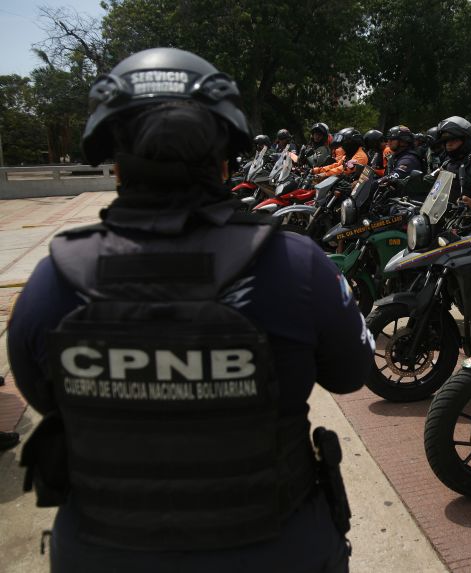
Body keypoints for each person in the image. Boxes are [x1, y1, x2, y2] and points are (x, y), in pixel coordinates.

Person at [7, 47, 373, 572]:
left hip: (104, 549)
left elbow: (41, 393)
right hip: (277, 548)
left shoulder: (55, 279)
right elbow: (351, 372)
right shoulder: (297, 266)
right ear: (225, 156)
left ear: (114, 161)